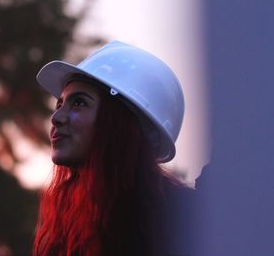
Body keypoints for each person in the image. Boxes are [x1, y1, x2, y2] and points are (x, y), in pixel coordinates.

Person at [33, 41, 194, 256]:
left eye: (79, 103)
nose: (56, 117)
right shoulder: (67, 225)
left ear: (120, 123)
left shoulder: (185, 219)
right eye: (60, 104)